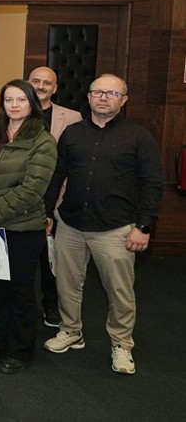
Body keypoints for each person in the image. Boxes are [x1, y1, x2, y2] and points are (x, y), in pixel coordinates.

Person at [42, 74, 162, 376]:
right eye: (97, 92)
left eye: (112, 93)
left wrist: (143, 226)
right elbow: (57, 174)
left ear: (124, 99)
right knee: (66, 283)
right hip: (70, 223)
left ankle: (121, 343)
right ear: (89, 97)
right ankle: (71, 330)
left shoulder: (140, 137)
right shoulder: (72, 133)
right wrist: (47, 212)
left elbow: (152, 184)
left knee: (119, 290)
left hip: (115, 228)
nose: (103, 98)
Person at [0, 79, 57, 375]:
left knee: (19, 291)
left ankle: (19, 350)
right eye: (8, 100)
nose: (14, 105)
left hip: (22, 229)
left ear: (32, 103)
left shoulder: (42, 140)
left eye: (21, 99)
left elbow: (33, 189)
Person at [27, 66, 82, 328]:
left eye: (46, 83)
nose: (41, 86)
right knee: (20, 255)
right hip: (20, 197)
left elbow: (74, 163)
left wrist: (56, 203)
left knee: (51, 257)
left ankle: (51, 305)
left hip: (56, 197)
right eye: (36, 81)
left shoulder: (72, 117)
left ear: (55, 88)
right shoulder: (14, 110)